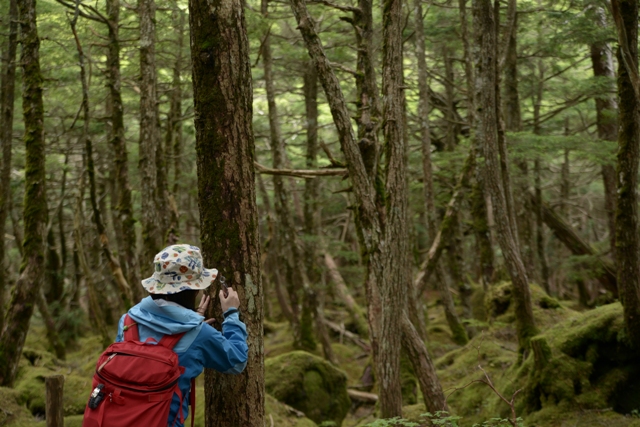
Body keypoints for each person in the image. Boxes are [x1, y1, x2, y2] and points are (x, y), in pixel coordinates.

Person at [115, 244, 248, 427]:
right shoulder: (199, 334)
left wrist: (192, 321)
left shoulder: (127, 321)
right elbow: (237, 361)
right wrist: (231, 314)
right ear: (194, 290)